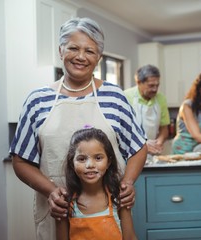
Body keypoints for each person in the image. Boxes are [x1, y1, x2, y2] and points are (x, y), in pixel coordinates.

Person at [9, 17, 147, 240]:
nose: (81, 57)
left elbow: (139, 147)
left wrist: (127, 183)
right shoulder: (37, 100)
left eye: (90, 51)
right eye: (73, 48)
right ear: (60, 50)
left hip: (110, 212)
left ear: (99, 57)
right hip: (58, 212)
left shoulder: (115, 96)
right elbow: (20, 160)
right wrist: (51, 192)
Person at [56, 127, 137, 240]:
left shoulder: (119, 197)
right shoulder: (65, 202)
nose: (90, 165)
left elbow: (130, 237)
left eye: (98, 158)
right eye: (82, 159)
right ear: (71, 163)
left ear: (108, 162)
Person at [124, 64, 170, 155]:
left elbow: (164, 128)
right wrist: (142, 144)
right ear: (139, 82)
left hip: (153, 150)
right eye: (151, 85)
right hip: (131, 151)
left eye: (157, 85)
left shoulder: (161, 99)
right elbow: (123, 129)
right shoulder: (126, 96)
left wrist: (159, 142)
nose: (155, 89)